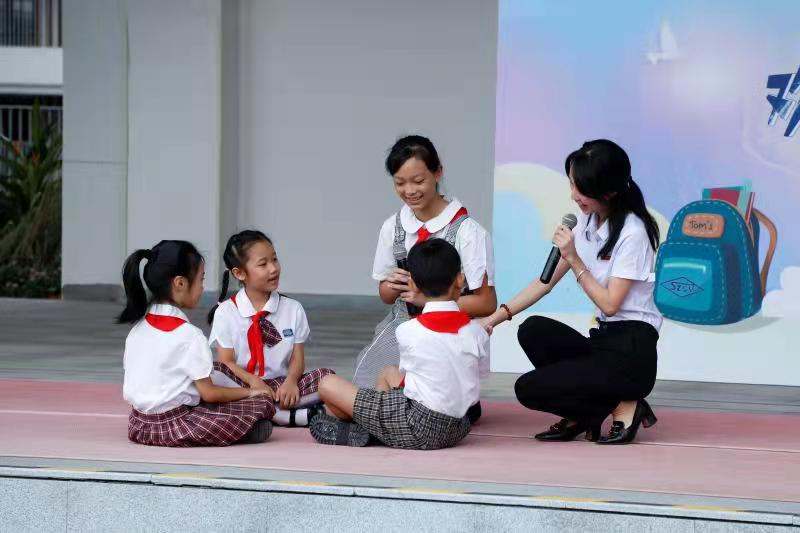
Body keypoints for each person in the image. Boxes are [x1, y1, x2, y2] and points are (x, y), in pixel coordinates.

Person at [480, 139, 662, 445]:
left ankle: (625, 403)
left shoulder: (633, 232)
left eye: (581, 188)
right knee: (533, 330)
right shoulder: (585, 224)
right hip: (604, 340)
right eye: (572, 185)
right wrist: (493, 320)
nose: (573, 195)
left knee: (528, 388)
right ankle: (585, 413)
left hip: (632, 350)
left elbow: (611, 304)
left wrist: (575, 259)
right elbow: (544, 282)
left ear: (608, 191)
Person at [352, 135, 495, 424]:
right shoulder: (392, 227)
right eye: (400, 183)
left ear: (438, 172)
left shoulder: (468, 232)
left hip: (448, 332)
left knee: (404, 401)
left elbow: (486, 302)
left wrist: (429, 302)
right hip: (402, 325)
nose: (410, 191)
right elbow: (384, 295)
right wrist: (392, 285)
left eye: (418, 181)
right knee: (362, 393)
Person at [310, 239, 490, 449]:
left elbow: (409, 383)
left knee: (326, 384)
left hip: (419, 427)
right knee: (388, 372)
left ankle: (370, 430)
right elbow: (479, 374)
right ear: (460, 280)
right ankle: (373, 427)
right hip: (459, 428)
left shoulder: (408, 330)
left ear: (412, 284)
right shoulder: (477, 332)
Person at [120, 240, 274, 447]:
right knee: (261, 403)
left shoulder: (137, 329)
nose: (202, 288)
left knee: (218, 371)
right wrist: (251, 393)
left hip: (138, 425)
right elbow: (209, 394)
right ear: (180, 283)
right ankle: (247, 429)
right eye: (201, 279)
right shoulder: (190, 336)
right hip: (175, 426)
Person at [207, 230, 333, 428]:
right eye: (263, 264)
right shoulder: (226, 312)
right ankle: (290, 416)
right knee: (214, 374)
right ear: (239, 273)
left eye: (274, 259)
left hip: (281, 387)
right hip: (244, 386)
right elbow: (227, 362)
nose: (273, 268)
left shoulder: (293, 309)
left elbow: (297, 359)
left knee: (327, 378)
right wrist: (254, 384)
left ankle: (261, 413)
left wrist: (291, 382)